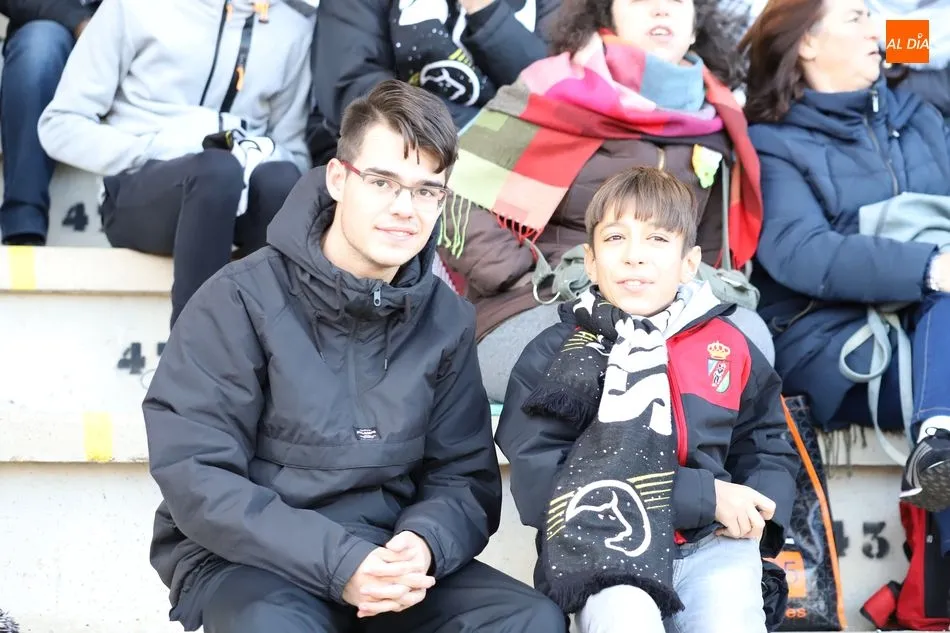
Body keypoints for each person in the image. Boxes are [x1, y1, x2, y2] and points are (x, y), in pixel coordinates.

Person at [142, 80, 566, 633]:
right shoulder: (239, 298)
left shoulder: (446, 317)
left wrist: (423, 544)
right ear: (339, 179)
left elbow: (462, 477)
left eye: (426, 191)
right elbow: (198, 474)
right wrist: (340, 564)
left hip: (386, 554)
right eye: (382, 182)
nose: (403, 209)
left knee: (530, 620)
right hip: (250, 561)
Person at [496, 167, 799, 633]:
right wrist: (704, 497)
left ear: (689, 263)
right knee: (625, 617)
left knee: (728, 618)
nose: (635, 256)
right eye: (616, 238)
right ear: (590, 261)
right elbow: (542, 487)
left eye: (657, 239)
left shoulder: (727, 345)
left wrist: (760, 511)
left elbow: (765, 440)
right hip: (604, 548)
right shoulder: (557, 357)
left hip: (713, 544)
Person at [438, 0, 770, 404]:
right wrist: (520, 275)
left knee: (749, 343)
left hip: (665, 304)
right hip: (547, 302)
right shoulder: (550, 90)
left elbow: (712, 248)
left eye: (678, 1)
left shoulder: (718, 118)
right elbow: (449, 195)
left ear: (695, 28)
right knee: (602, 370)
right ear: (605, 14)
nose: (661, 9)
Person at [741, 0, 950, 528]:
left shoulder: (918, 114)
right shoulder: (770, 139)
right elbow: (802, 251)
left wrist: (899, 33)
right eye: (856, 17)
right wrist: (930, 267)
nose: (874, 29)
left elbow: (931, 37)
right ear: (807, 43)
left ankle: (939, 442)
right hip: (830, 337)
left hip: (931, 321)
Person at [37, 0, 313, 326]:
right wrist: (154, 148)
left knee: (282, 180)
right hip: (143, 189)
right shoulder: (133, 6)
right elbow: (59, 125)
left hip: (238, 194)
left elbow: (294, 152)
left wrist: (255, 151)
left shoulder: (294, 27)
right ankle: (195, 352)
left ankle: (264, 348)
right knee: (216, 172)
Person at [309, 0, 561, 164]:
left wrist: (486, 11)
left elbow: (558, 96)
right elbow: (352, 87)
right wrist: (483, 140)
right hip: (396, 149)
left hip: (519, 160)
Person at [0, 0, 96, 245]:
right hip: (47, 22)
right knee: (39, 49)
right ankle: (24, 228)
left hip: (136, 25)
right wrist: (80, 22)